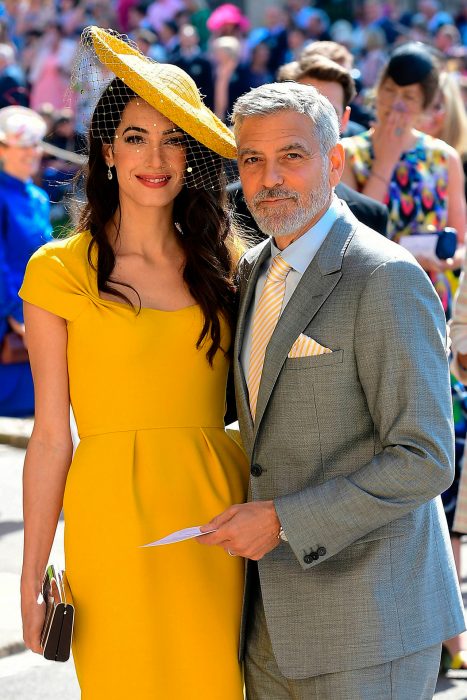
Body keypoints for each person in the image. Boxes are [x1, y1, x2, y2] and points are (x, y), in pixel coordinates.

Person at [199, 81, 465, 698]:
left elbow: (425, 458)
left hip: (374, 625)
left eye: (291, 155)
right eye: (251, 160)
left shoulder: (386, 276)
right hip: (268, 627)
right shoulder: (252, 270)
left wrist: (284, 521)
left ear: (335, 161)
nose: (269, 178)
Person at [19, 26, 248, 698]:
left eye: (173, 138)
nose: (156, 156)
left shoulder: (226, 265)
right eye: (136, 137)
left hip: (218, 516)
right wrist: (33, 580)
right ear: (108, 152)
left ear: (191, 156)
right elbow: (51, 437)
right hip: (110, 521)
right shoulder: (57, 271)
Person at [277, 54, 388, 235]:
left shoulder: (370, 216)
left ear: (345, 120)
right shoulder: (237, 202)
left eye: (329, 113)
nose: (315, 123)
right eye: (303, 108)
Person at [0, 105, 51, 417]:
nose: (33, 152)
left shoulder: (38, 197)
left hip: (36, 309)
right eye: (24, 146)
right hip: (9, 317)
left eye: (36, 144)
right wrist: (16, 315)